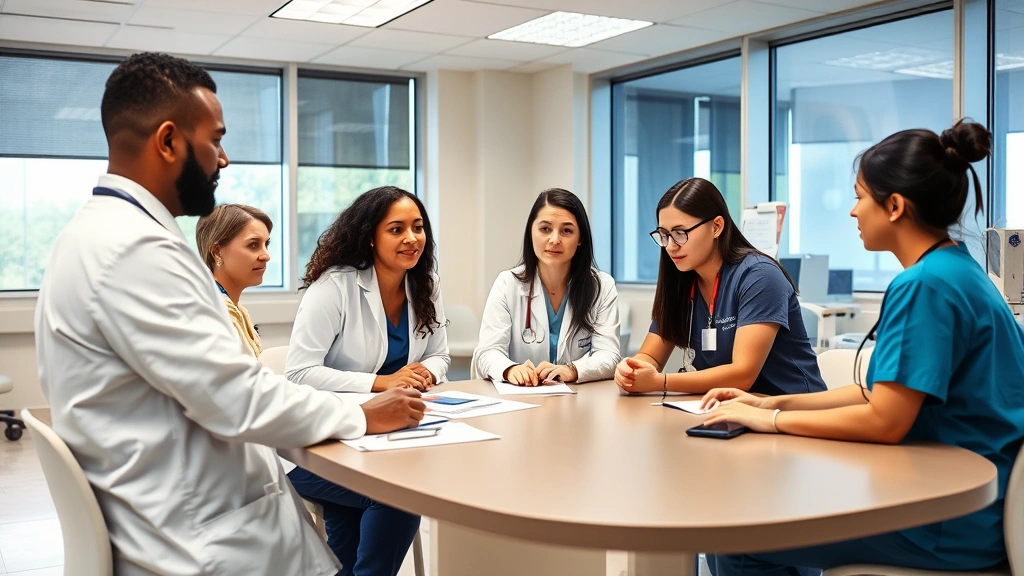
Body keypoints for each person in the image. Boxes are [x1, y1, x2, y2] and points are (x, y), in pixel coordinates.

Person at [33, 52, 424, 576]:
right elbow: (236, 398)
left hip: (186, 509)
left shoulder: (94, 235)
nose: (224, 158)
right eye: (214, 140)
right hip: (203, 542)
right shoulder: (136, 250)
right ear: (168, 142)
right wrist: (362, 415)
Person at [702, 120, 1024, 574]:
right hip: (969, 500)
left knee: (739, 533)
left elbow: (885, 421)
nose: (853, 212)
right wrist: (767, 402)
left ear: (894, 206)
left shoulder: (925, 286)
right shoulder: (958, 270)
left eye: (860, 197)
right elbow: (878, 394)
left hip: (946, 521)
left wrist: (771, 422)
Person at [285, 186, 449, 576]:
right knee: (398, 496)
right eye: (396, 229)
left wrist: (426, 372)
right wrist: (380, 382)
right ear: (370, 237)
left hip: (387, 441)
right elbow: (299, 372)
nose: (412, 238)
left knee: (356, 529)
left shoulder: (425, 283)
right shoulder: (334, 287)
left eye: (418, 227)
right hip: (319, 447)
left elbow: (439, 354)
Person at [615, 177, 825, 397]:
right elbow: (651, 357)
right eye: (664, 235)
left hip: (791, 407)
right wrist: (632, 369)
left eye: (680, 233)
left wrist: (661, 381)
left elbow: (742, 375)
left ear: (716, 227)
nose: (670, 246)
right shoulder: (682, 279)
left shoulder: (760, 276)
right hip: (727, 407)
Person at [475, 188, 620, 386]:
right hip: (520, 398)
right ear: (531, 232)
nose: (554, 240)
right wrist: (510, 369)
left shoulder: (601, 287)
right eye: (545, 229)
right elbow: (487, 352)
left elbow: (609, 355)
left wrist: (573, 370)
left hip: (579, 398)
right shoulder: (507, 284)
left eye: (567, 231)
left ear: (580, 238)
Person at [196, 203, 272, 357]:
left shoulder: (235, 309)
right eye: (253, 245)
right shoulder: (215, 314)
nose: (266, 256)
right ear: (217, 252)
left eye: (266, 244)